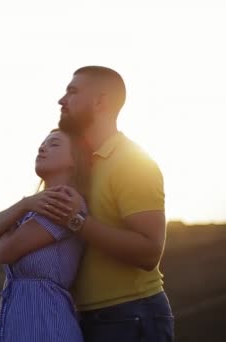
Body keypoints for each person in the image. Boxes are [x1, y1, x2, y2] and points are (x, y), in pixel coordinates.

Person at [48, 66, 174, 342]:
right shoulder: (80, 165)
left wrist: (77, 221)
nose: (61, 100)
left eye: (72, 91)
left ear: (99, 101)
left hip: (130, 315)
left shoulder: (132, 162)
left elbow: (149, 252)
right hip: (86, 316)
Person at [0, 128, 90, 342]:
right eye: (43, 143)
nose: (42, 147)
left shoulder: (64, 201)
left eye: (54, 144)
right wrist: (24, 204)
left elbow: (6, 251)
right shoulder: (33, 206)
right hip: (16, 327)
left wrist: (8, 224)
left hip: (47, 327)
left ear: (74, 160)